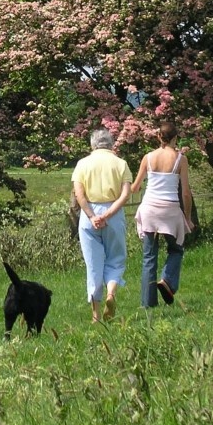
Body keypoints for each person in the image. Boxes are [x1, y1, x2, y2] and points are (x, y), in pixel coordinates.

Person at [71, 127, 132, 323]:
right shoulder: (120, 163)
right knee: (115, 259)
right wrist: (107, 214)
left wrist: (91, 215)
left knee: (93, 265)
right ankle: (111, 294)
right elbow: (125, 194)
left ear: (92, 144)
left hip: (89, 217)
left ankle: (96, 315)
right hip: (113, 214)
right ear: (111, 144)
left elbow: (79, 194)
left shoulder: (82, 164)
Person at [131, 120, 194, 308]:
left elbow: (135, 187)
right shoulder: (180, 159)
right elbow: (185, 192)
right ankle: (167, 280)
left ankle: (147, 303)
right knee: (176, 249)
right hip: (170, 209)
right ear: (176, 137)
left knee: (149, 256)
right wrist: (188, 218)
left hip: (149, 208)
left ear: (158, 136)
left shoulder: (148, 157)